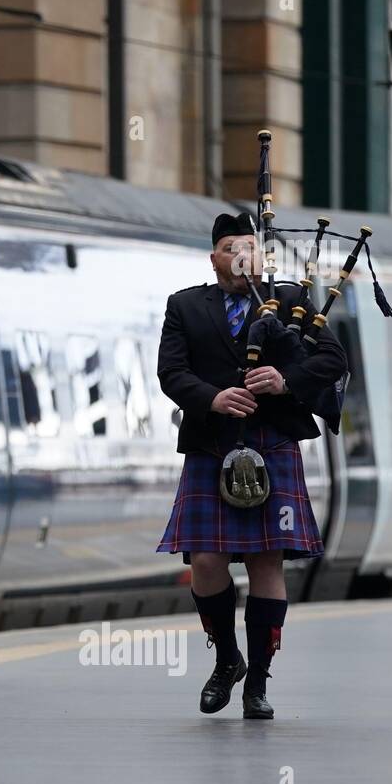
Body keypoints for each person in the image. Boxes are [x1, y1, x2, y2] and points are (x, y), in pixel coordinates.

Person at [156, 212, 347, 719]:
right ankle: (226, 660)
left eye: (249, 246)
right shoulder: (185, 306)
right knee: (205, 561)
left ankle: (257, 683)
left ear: (262, 256)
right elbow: (171, 372)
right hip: (211, 443)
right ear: (214, 257)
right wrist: (214, 398)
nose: (241, 256)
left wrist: (286, 381)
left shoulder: (292, 301)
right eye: (229, 248)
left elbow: (332, 361)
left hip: (273, 439)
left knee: (266, 562)